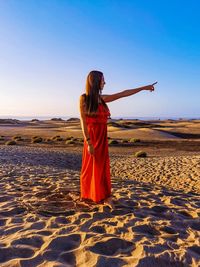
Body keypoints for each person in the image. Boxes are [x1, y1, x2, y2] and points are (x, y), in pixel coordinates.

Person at [79, 70, 157, 209]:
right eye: (103, 80)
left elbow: (123, 93)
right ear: (96, 81)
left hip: (102, 138)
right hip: (92, 139)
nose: (105, 82)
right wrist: (89, 142)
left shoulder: (102, 99)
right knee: (92, 167)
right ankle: (92, 195)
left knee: (102, 167)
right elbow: (83, 123)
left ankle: (104, 196)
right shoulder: (84, 99)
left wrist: (143, 88)